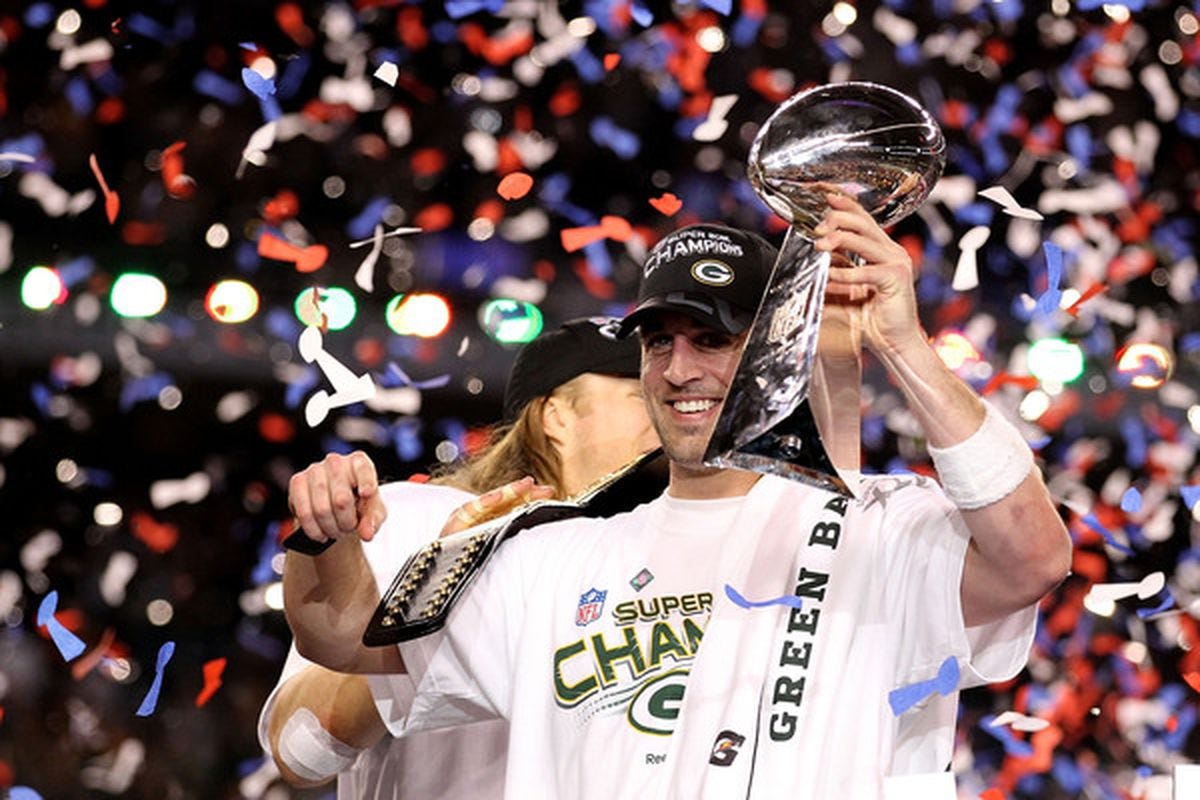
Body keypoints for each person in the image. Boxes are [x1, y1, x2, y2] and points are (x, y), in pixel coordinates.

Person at [285, 199, 1072, 798]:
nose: (678, 370)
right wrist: (323, 537)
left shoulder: (876, 530)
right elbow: (344, 637)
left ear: (774, 355)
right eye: (659, 341)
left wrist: (903, 346)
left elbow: (1033, 558)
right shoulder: (548, 556)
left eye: (713, 339)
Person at [260, 317, 659, 797]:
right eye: (640, 393)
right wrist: (437, 598)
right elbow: (300, 750)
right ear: (555, 416)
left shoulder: (659, 560)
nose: (666, 398)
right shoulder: (414, 518)